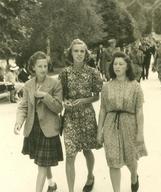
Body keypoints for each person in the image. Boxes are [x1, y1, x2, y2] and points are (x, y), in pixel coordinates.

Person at [97, 51, 147, 192]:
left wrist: (140, 133)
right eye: (115, 64)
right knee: (113, 160)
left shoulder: (135, 86)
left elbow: (139, 111)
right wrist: (99, 131)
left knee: (131, 159)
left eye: (121, 64)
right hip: (110, 125)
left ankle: (134, 176)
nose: (117, 67)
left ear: (127, 67)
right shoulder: (106, 86)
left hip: (130, 124)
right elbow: (102, 110)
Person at [14, 51, 63, 192]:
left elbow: (58, 108)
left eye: (45, 66)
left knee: (42, 164)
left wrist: (45, 96)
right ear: (33, 67)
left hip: (49, 129)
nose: (43, 69)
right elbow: (23, 106)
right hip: (33, 128)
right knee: (42, 162)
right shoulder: (28, 84)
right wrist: (18, 122)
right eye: (40, 66)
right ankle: (52, 184)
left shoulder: (56, 84)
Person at [59, 39, 103, 192]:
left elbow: (96, 96)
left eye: (81, 51)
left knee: (87, 150)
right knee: (70, 154)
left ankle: (90, 176)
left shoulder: (93, 72)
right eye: (75, 51)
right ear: (71, 53)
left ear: (86, 54)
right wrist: (65, 102)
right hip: (70, 117)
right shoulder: (64, 73)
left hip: (87, 116)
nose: (79, 54)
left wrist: (84, 100)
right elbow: (61, 95)